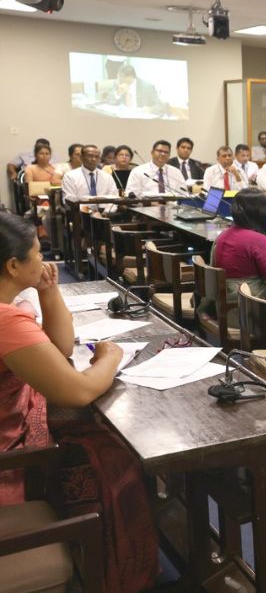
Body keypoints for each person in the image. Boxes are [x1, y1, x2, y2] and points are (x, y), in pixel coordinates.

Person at [0, 213, 157, 591]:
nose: (44, 259)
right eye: (38, 252)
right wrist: (112, 357)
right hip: (9, 449)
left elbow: (61, 347)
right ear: (13, 266)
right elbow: (78, 391)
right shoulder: (6, 320)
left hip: (17, 416)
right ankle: (118, 570)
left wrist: (48, 290)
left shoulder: (10, 307)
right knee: (112, 454)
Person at [210, 188, 266, 327]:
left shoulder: (222, 236)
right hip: (249, 313)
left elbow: (240, 265)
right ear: (261, 211)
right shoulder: (258, 240)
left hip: (226, 309)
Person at [61, 145, 119, 209]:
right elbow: (69, 199)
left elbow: (114, 198)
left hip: (105, 212)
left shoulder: (107, 177)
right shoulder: (70, 176)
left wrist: (106, 212)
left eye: (97, 157)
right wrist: (88, 211)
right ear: (81, 157)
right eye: (90, 156)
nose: (94, 159)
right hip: (80, 213)